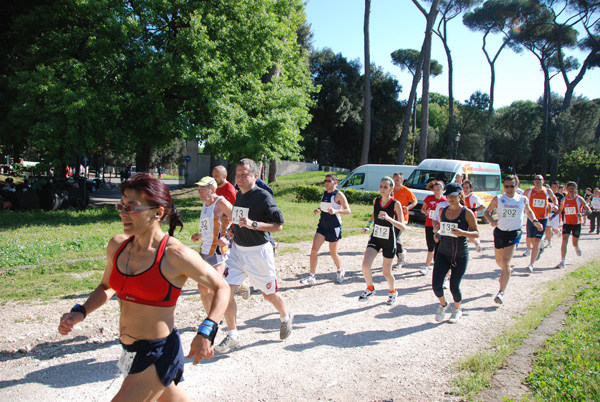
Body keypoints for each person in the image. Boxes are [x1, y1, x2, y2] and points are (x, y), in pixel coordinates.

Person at [58, 174, 230, 401]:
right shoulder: (117, 245)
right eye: (122, 206)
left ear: (157, 213)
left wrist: (207, 331)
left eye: (131, 207)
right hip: (129, 351)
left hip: (157, 353)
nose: (122, 213)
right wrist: (81, 311)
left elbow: (221, 287)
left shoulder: (174, 254)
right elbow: (107, 286)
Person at [215, 158, 293, 354]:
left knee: (269, 295)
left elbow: (278, 226)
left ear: (255, 176)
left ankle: (285, 315)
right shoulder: (239, 195)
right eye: (238, 174)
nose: (239, 178)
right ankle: (233, 336)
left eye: (244, 175)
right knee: (225, 292)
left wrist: (253, 224)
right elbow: (238, 220)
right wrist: (233, 232)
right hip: (238, 252)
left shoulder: (263, 197)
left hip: (259, 253)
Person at [484, 175, 542, 305]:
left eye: (512, 186)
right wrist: (492, 221)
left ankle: (501, 293)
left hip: (514, 233)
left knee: (505, 262)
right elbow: (487, 212)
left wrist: (535, 221)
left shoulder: (522, 199)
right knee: (499, 262)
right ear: (503, 187)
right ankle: (507, 271)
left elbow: (529, 211)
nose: (509, 189)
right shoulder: (498, 199)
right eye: (506, 186)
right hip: (500, 233)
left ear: (516, 186)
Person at [432, 183, 479, 323]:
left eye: (452, 196)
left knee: (454, 287)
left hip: (460, 254)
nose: (450, 199)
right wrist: (438, 233)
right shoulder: (443, 211)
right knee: (436, 286)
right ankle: (443, 305)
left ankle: (457, 309)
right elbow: (442, 228)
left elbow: (476, 233)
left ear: (459, 195)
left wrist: (463, 233)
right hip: (443, 252)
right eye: (448, 196)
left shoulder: (467, 213)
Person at [358, 177, 406, 305]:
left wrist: (389, 218)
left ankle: (393, 291)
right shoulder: (376, 200)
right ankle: (370, 288)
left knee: (386, 272)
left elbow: (403, 226)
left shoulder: (396, 204)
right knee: (365, 265)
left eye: (385, 187)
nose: (382, 189)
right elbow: (375, 213)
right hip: (376, 237)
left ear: (391, 189)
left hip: (389, 240)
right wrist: (369, 225)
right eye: (381, 186)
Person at [191, 176, 234, 313]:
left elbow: (238, 221)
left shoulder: (222, 203)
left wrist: (227, 237)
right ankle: (210, 317)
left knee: (215, 287)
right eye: (199, 189)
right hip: (204, 251)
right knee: (202, 288)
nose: (200, 193)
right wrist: (199, 234)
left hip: (218, 252)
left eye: (203, 189)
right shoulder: (205, 203)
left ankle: (216, 317)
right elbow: (206, 224)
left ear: (213, 189)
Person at [300, 174, 351, 285]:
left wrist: (336, 211)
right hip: (322, 226)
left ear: (335, 182)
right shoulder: (324, 193)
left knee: (333, 253)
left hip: (334, 227)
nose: (326, 183)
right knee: (314, 251)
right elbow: (325, 206)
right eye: (325, 181)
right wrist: (318, 209)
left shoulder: (339, 195)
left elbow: (348, 210)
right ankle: (311, 277)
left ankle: (340, 270)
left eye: (329, 181)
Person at [522, 175, 557, 272]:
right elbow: (521, 199)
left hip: (542, 219)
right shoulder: (529, 190)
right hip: (532, 219)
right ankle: (540, 249)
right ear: (534, 181)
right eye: (536, 179)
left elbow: (554, 198)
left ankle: (531, 264)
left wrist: (556, 205)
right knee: (533, 240)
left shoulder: (547, 191)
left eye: (539, 179)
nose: (537, 181)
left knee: (536, 241)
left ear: (543, 181)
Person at [555, 181, 591, 269]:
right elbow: (560, 210)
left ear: (576, 189)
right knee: (564, 241)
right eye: (569, 189)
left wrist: (582, 214)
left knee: (574, 243)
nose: (570, 190)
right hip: (567, 223)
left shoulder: (579, 199)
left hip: (576, 224)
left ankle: (576, 246)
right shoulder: (564, 200)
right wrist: (553, 216)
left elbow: (589, 210)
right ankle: (563, 261)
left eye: (572, 189)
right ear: (566, 189)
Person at [420, 181, 446, 276]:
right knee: (430, 247)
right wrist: (425, 212)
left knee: (439, 248)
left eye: (438, 190)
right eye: (434, 190)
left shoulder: (445, 201)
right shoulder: (429, 198)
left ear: (442, 190)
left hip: (440, 226)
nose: (436, 192)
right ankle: (426, 267)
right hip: (429, 224)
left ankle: (438, 268)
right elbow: (422, 209)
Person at [392, 172, 417, 265]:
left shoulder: (406, 190)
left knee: (395, 236)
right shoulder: (391, 190)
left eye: (397, 180)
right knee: (392, 236)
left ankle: (401, 256)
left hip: (402, 217)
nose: (395, 181)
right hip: (392, 216)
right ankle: (400, 254)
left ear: (402, 180)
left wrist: (408, 207)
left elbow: (415, 201)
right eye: (394, 179)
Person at [462, 180, 485, 252]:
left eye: (467, 188)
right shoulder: (460, 196)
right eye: (464, 187)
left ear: (471, 189)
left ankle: (477, 243)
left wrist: (474, 209)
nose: (465, 189)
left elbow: (483, 206)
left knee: (470, 236)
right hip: (462, 218)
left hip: (471, 219)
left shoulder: (473, 197)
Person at [544, 181, 564, 249]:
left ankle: (557, 231)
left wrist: (554, 215)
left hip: (556, 214)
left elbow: (561, 207)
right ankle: (549, 242)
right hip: (548, 213)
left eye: (555, 187)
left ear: (558, 188)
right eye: (552, 187)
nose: (553, 188)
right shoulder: (547, 194)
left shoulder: (560, 196)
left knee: (554, 229)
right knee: (547, 227)